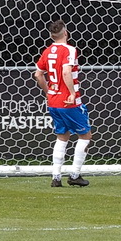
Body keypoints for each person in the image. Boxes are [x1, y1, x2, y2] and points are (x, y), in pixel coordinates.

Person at [34, 20, 92, 188]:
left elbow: (38, 75)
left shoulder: (47, 51)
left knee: (62, 137)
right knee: (86, 136)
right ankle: (74, 175)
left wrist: (48, 91)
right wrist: (72, 93)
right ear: (65, 33)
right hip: (69, 101)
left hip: (53, 101)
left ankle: (56, 177)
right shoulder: (70, 50)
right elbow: (66, 71)